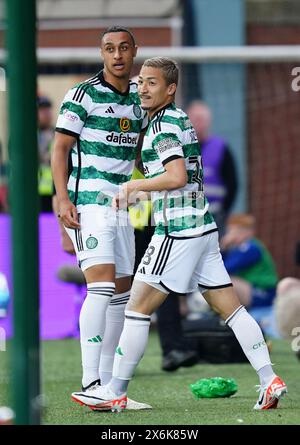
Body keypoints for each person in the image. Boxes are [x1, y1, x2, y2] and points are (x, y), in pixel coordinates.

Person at [71, 57, 287, 412]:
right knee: (230, 310)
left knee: (136, 310)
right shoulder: (179, 117)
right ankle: (269, 379)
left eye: (152, 83)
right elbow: (179, 177)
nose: (142, 88)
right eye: (141, 82)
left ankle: (114, 391)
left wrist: (135, 185)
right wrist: (143, 191)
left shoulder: (162, 127)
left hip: (178, 231)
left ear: (170, 89)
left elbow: (176, 177)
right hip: (203, 228)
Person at [51, 26, 151, 410]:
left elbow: (139, 153)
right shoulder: (83, 94)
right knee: (102, 288)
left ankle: (109, 389)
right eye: (109, 49)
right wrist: (63, 200)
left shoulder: (140, 100)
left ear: (134, 51)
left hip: (123, 206)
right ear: (102, 53)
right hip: (90, 200)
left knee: (122, 295)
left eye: (124, 48)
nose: (117, 55)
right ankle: (89, 380)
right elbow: (59, 149)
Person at [220, 213, 279, 337]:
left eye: (235, 232)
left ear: (248, 232)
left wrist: (223, 246)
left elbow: (224, 268)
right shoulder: (240, 247)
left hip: (264, 294)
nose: (231, 236)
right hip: (254, 291)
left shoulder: (251, 247)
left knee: (224, 280)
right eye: (230, 231)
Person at [186, 100, 237, 235]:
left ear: (209, 121)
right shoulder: (180, 149)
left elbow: (233, 184)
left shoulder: (221, 148)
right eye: (195, 119)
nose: (198, 123)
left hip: (214, 216)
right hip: (186, 217)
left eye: (202, 119)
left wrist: (223, 212)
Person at [38, 95, 55, 212]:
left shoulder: (58, 134)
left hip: (53, 189)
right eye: (42, 110)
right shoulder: (26, 135)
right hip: (32, 191)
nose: (46, 113)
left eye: (48, 110)